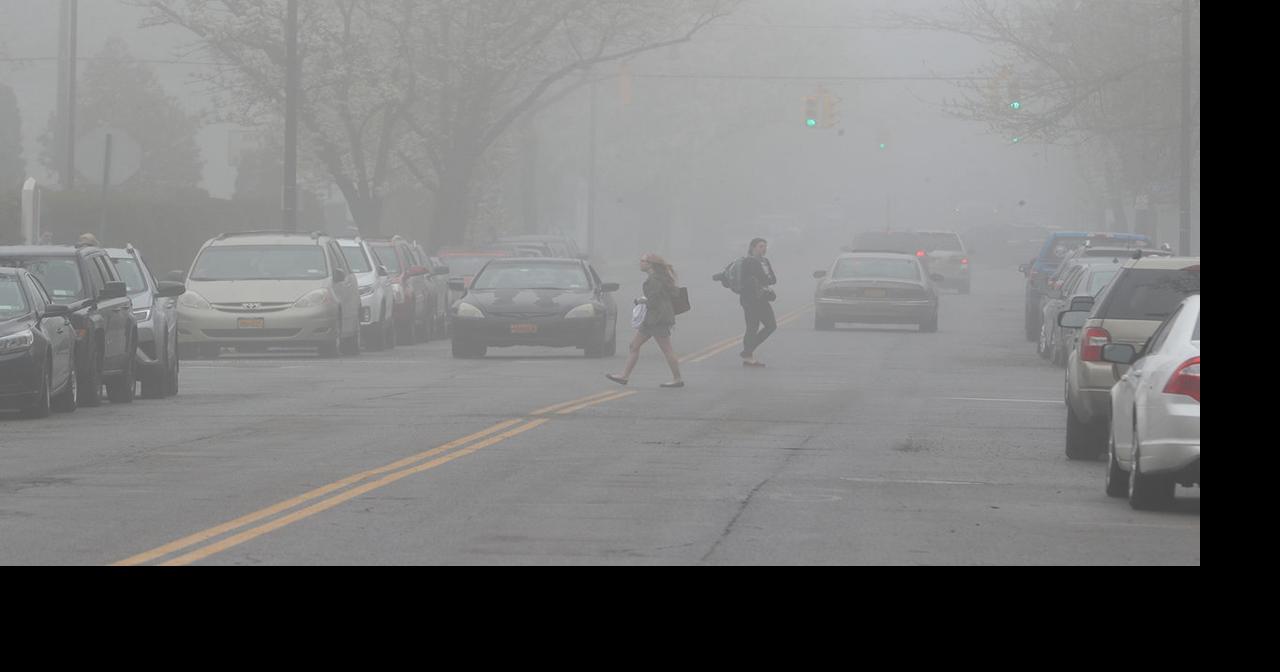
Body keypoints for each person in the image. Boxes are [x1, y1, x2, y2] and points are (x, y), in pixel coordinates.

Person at [606, 253, 684, 388]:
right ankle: (624, 376)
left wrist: (641, 301)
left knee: (667, 349)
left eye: (643, 261)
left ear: (650, 264)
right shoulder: (659, 278)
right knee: (634, 346)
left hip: (657, 319)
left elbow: (653, 302)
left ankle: (677, 379)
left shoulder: (653, 280)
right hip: (653, 318)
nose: (640, 263)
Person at [740, 238, 777, 367]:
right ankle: (748, 357)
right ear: (753, 247)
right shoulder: (749, 261)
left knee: (771, 325)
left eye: (765, 246)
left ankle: (747, 351)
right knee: (752, 327)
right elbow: (763, 278)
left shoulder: (765, 261)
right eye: (761, 246)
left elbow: (773, 279)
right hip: (750, 299)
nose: (764, 249)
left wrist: (766, 278)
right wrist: (765, 278)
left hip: (762, 298)